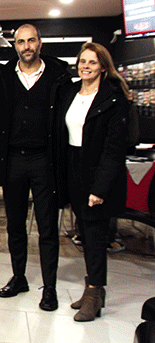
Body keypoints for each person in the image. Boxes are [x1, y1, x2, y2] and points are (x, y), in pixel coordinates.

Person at [0, 24, 71, 311]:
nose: (26, 46)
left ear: (40, 43)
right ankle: (19, 277)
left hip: (44, 159)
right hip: (13, 159)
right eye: (21, 42)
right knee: (15, 225)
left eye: (31, 41)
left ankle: (49, 287)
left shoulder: (59, 75)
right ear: (15, 45)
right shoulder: (2, 77)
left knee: (47, 227)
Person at [55, 42, 129, 322]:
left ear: (103, 67)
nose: (85, 66)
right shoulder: (72, 93)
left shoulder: (113, 98)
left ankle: (96, 293)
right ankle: (91, 289)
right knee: (84, 235)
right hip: (73, 167)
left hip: (97, 172)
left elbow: (114, 149)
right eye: (82, 61)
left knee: (96, 237)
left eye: (92, 62)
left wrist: (99, 188)